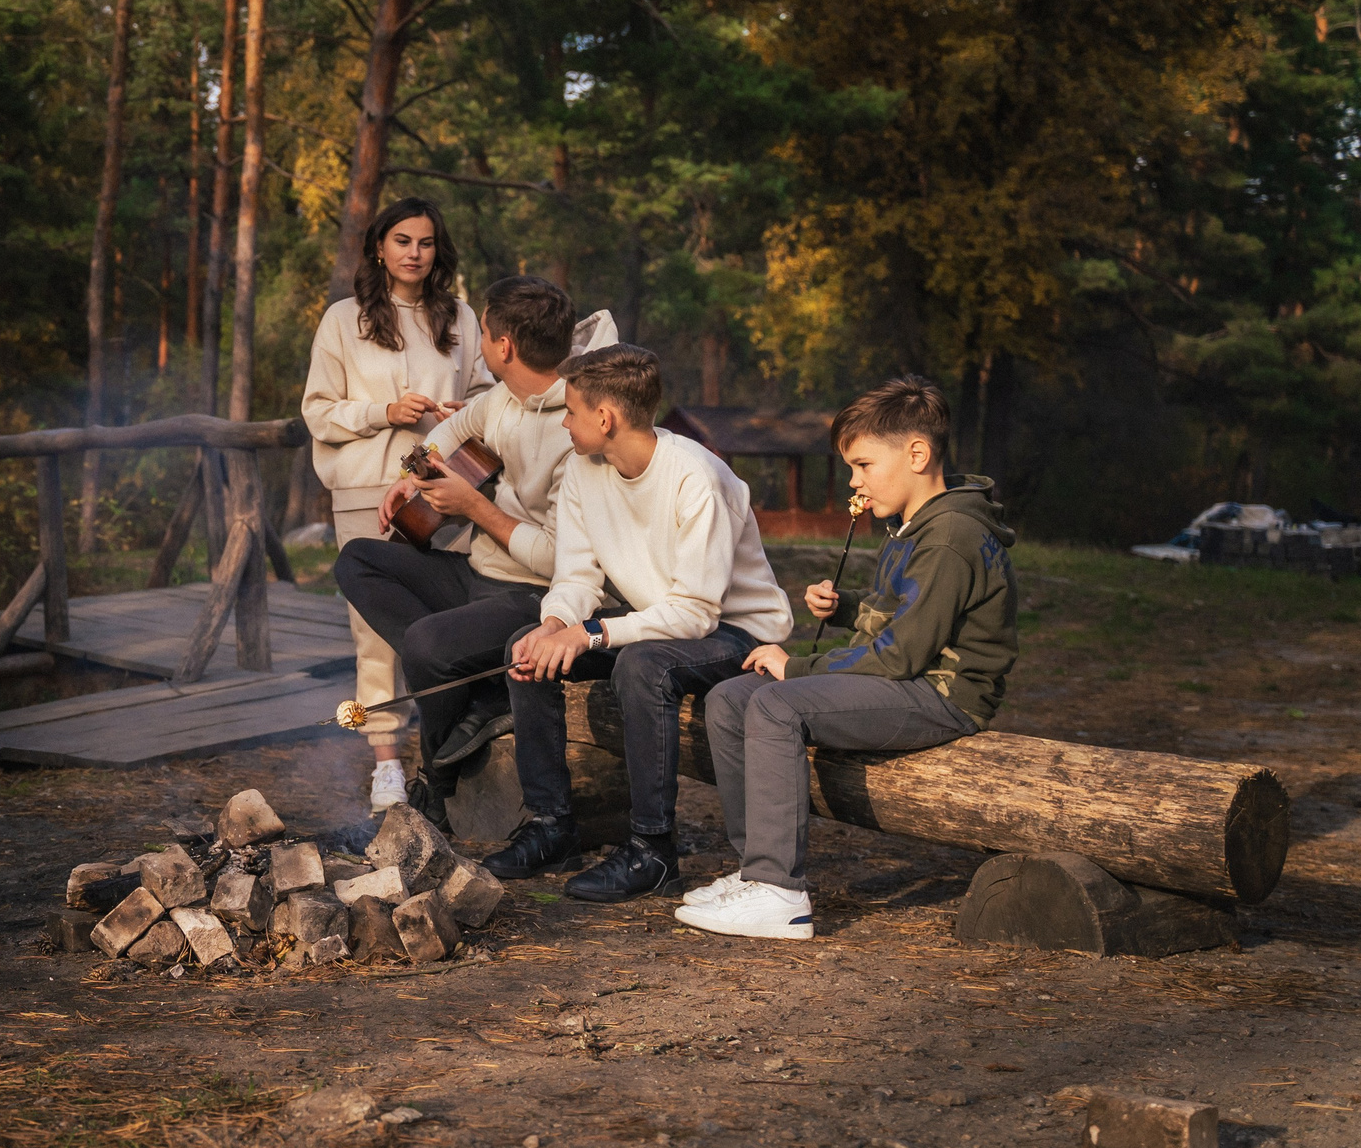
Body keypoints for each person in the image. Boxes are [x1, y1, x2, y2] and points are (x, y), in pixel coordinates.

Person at [679, 376, 1018, 941]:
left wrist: (798, 667)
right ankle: (754, 871)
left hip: (942, 695)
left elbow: (901, 655)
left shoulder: (951, 535)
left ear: (917, 453)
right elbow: (903, 612)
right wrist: (845, 609)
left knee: (776, 706)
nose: (854, 481)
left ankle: (779, 895)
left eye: (862, 465)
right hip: (906, 677)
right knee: (730, 698)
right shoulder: (916, 525)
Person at [485, 344, 794, 902]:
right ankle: (552, 825)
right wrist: (556, 622)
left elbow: (698, 612)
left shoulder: (698, 477)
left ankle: (653, 851)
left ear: (605, 418)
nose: (565, 421)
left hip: (738, 633)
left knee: (642, 666)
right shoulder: (583, 470)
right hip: (663, 624)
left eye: (572, 411)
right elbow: (578, 574)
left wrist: (592, 633)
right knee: (524, 648)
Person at [332, 276, 619, 826]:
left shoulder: (577, 429)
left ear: (504, 347)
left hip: (539, 599)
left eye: (484, 333)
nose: (480, 342)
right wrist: (410, 476)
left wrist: (473, 507)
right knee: (358, 560)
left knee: (424, 644)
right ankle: (481, 693)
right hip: (482, 575)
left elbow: (565, 561)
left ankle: (434, 783)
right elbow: (451, 430)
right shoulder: (503, 396)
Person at [303, 199, 491, 812]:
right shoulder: (343, 319)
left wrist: (464, 415)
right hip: (366, 492)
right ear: (379, 247)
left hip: (449, 491)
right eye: (402, 240)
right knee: (374, 634)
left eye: (427, 242)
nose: (414, 252)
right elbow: (318, 411)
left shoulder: (461, 318)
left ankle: (447, 756)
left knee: (450, 623)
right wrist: (383, 412)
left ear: (440, 251)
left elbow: (493, 399)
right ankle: (386, 762)